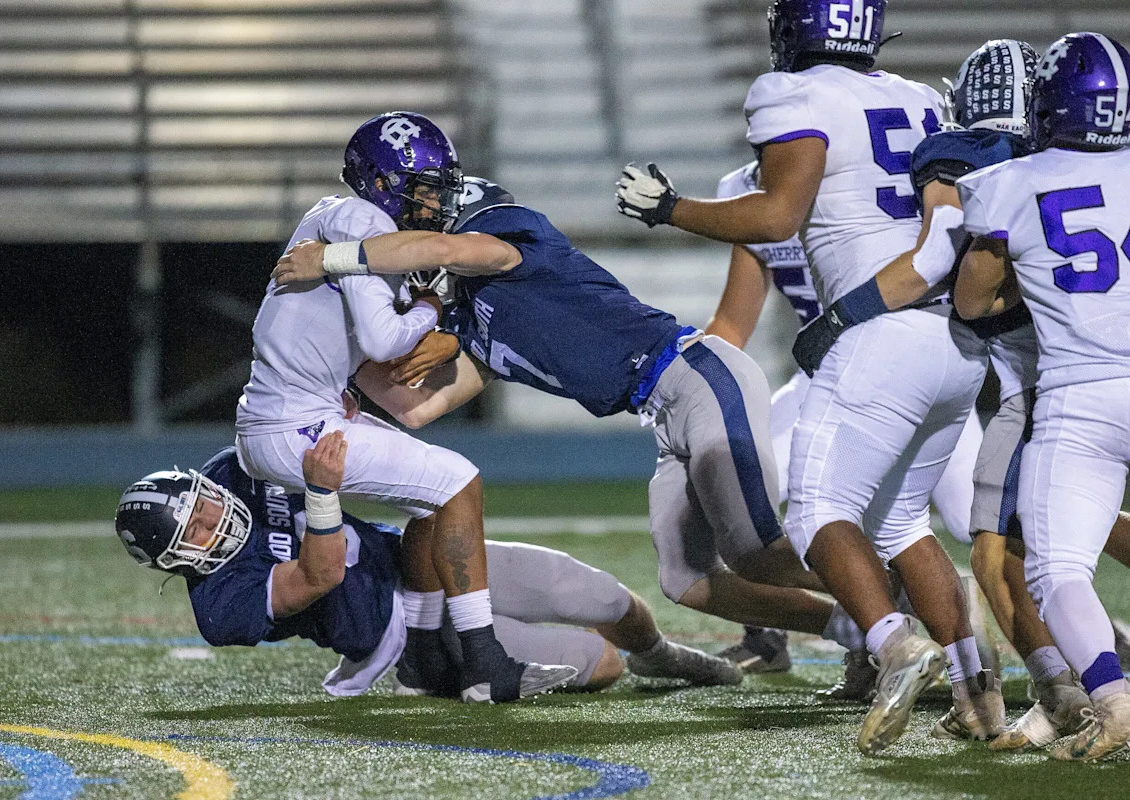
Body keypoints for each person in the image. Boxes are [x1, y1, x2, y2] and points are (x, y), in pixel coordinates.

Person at [273, 179, 875, 680]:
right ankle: (854, 627)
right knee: (687, 581)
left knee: (755, 552)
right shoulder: (475, 320)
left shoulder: (508, 235)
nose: (426, 217)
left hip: (695, 374)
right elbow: (415, 409)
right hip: (664, 410)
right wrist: (330, 369)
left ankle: (900, 602)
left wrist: (334, 258)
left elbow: (449, 248)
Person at [614, 0, 993, 755]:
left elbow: (778, 216)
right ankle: (976, 693)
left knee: (820, 514)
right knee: (902, 525)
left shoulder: (791, 93)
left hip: (873, 338)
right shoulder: (919, 98)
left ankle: (890, 643)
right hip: (950, 337)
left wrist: (671, 209)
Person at [234, 111, 573, 703]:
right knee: (459, 481)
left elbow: (387, 381)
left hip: (289, 416)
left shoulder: (333, 214)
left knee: (430, 501)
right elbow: (383, 340)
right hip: (298, 425)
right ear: (383, 184)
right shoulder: (363, 219)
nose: (434, 202)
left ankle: (420, 657)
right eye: (424, 188)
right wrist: (432, 309)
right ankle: (484, 662)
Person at [114, 437, 741, 700]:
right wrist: (322, 494)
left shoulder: (234, 468)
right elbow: (320, 575)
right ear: (176, 560)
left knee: (604, 598)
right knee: (601, 664)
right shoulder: (220, 606)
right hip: (392, 631)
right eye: (194, 530)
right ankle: (430, 670)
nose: (213, 518)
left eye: (202, 503)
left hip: (419, 558)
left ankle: (664, 657)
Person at [706, 159, 985, 688]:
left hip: (900, 354)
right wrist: (688, 382)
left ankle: (1078, 638)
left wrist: (673, 209)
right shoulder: (746, 187)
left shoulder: (878, 167)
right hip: (826, 373)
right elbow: (732, 321)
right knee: (735, 491)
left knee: (979, 515)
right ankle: (817, 635)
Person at [954, 31, 1130, 762]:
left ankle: (1114, 700)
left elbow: (970, 302)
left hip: (1080, 395)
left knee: (1058, 572)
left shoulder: (1010, 184)